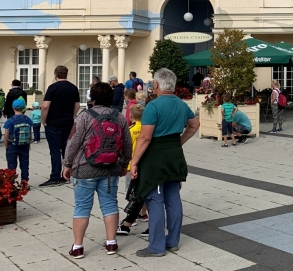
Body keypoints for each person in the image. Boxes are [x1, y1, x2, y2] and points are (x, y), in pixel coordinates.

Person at [130, 68, 199, 257]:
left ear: (157, 84)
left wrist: (134, 161)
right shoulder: (181, 104)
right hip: (174, 154)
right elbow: (194, 124)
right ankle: (173, 241)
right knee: (173, 197)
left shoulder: (153, 106)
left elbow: (145, 137)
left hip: (156, 157)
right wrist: (179, 141)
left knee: (155, 199)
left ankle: (156, 246)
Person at [63, 82, 132, 259]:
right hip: (110, 169)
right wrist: (124, 165)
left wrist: (67, 164)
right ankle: (111, 243)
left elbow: (73, 142)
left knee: (82, 207)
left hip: (85, 168)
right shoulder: (119, 117)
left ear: (92, 98)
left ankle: (78, 246)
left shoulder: (84, 116)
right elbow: (127, 143)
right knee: (110, 204)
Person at [41, 65, 81, 187]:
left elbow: (45, 106)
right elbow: (77, 105)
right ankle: (67, 174)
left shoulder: (52, 87)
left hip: (53, 122)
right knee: (66, 149)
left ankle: (55, 176)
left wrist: (44, 121)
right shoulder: (73, 88)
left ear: (55, 75)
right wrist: (72, 115)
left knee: (55, 150)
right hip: (67, 122)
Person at [117, 103, 148, 235]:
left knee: (132, 193)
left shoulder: (130, 129)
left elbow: (125, 147)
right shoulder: (146, 129)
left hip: (131, 164)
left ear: (130, 116)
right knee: (143, 191)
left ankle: (131, 217)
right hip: (144, 164)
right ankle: (143, 213)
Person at [4, 98, 33, 184]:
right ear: (23, 108)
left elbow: (6, 135)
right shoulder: (27, 119)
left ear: (13, 108)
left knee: (12, 165)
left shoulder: (10, 121)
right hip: (24, 145)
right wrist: (29, 143)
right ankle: (24, 182)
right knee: (24, 165)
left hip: (12, 145)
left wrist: (6, 145)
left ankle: (11, 184)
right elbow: (30, 133)